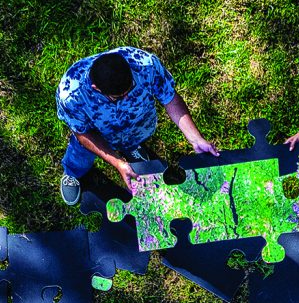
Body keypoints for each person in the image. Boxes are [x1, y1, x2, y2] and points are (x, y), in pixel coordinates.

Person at [55, 46, 220, 206]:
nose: (126, 99)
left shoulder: (144, 64)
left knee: (134, 141)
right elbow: (82, 134)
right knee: (79, 156)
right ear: (96, 88)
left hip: (138, 126)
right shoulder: (71, 94)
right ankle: (73, 173)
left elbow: (169, 98)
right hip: (98, 134)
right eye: (118, 97)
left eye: (130, 90)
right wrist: (118, 163)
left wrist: (196, 139)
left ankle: (131, 149)